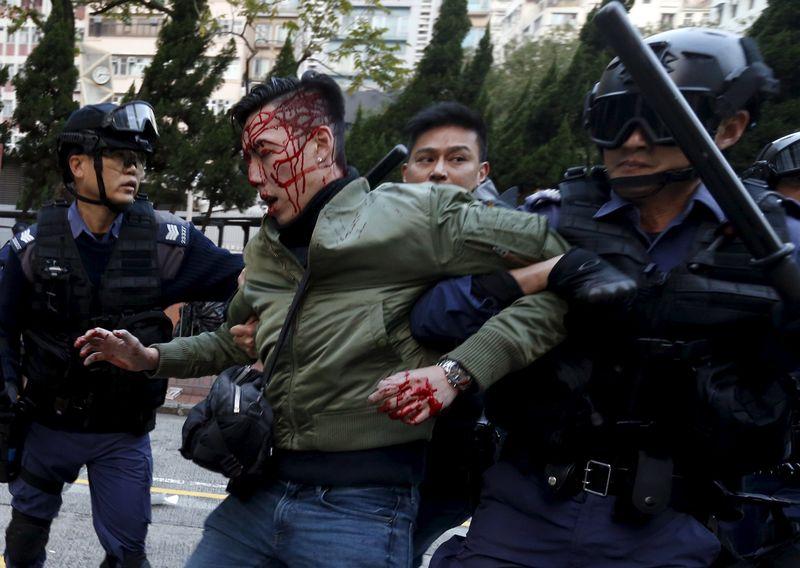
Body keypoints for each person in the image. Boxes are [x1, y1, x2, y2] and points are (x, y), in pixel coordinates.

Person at [74, 72, 633, 568]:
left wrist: (459, 371)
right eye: (247, 157)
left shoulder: (418, 214)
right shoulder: (266, 247)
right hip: (257, 490)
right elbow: (231, 339)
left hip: (361, 507)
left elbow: (568, 274)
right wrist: (149, 358)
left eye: (267, 153)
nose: (252, 174)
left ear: (319, 145)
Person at [416, 27, 800, 567]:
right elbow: (432, 316)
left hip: (677, 527)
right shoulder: (547, 219)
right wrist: (538, 276)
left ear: (730, 126)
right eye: (615, 119)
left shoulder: (781, 241)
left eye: (663, 120)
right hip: (525, 511)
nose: (633, 142)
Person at [0, 101, 244, 568]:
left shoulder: (165, 240)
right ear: (78, 165)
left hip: (122, 433)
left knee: (129, 554)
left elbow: (244, 278)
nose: (135, 170)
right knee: (23, 544)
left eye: (140, 161)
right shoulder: (30, 249)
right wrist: (9, 395)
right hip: (48, 426)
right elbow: (2, 327)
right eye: (121, 157)